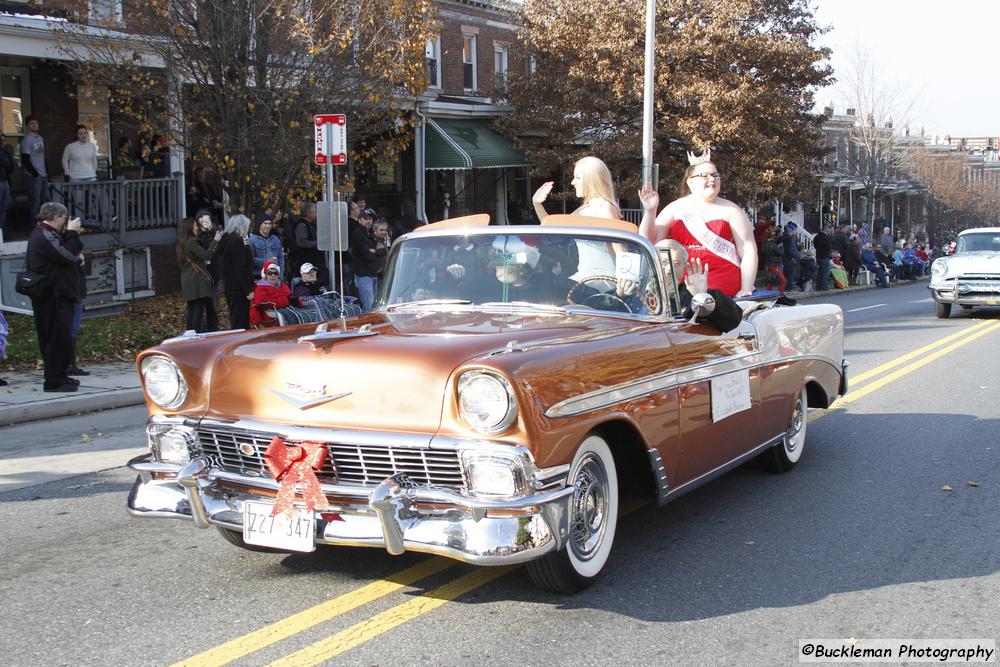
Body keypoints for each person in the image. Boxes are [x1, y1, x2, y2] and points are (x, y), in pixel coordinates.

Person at [638, 149, 757, 297]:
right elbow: (649, 242)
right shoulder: (675, 208)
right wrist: (650, 211)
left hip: (722, 287)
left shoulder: (732, 210)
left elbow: (748, 251)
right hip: (679, 285)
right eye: (704, 176)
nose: (712, 179)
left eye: (715, 175)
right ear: (690, 182)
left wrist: (746, 288)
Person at [26, 202, 84, 392]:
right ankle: (53, 382)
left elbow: (68, 255)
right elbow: (67, 254)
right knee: (55, 338)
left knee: (62, 337)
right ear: (57, 217)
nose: (66, 223)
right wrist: (73, 233)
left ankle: (61, 375)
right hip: (51, 295)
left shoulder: (50, 234)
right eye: (65, 219)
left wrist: (71, 238)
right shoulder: (43, 234)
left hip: (60, 292)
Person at [653, 239, 743, 331]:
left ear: (684, 268)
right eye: (664, 262)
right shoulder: (638, 293)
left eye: (676, 264)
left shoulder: (691, 294)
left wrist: (702, 294)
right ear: (653, 264)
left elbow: (733, 321)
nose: (669, 269)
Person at [533, 156, 620, 222]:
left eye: (578, 177)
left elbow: (619, 246)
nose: (573, 182)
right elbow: (553, 228)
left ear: (592, 180)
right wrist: (536, 203)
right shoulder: (586, 208)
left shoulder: (605, 209)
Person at [178, 216, 222, 333]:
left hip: (187, 281)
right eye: (195, 225)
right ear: (190, 227)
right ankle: (195, 336)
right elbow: (206, 256)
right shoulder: (192, 241)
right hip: (197, 281)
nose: (197, 227)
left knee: (192, 311)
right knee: (198, 311)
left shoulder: (181, 243)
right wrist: (215, 241)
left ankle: (190, 335)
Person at [218, 214, 255, 329]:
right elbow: (241, 267)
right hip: (239, 287)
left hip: (230, 285)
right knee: (241, 320)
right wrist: (248, 290)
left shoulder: (226, 240)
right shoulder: (236, 242)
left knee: (235, 317)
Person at [350, 210, 389, 311]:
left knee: (374, 306)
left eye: (370, 219)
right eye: (365, 219)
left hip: (373, 273)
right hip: (363, 274)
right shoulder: (357, 234)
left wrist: (374, 251)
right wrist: (375, 251)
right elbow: (367, 255)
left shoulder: (370, 233)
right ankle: (367, 326)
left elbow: (383, 251)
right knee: (369, 306)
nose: (368, 221)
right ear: (359, 220)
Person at [250, 260, 301, 326]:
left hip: (285, 309)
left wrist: (299, 302)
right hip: (269, 313)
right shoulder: (260, 288)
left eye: (275, 273)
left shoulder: (283, 285)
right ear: (265, 275)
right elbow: (262, 303)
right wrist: (286, 301)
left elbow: (290, 296)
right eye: (270, 273)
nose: (273, 275)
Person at [20, 115, 50, 225]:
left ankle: (45, 224)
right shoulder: (26, 140)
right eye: (32, 123)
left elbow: (42, 157)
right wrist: (35, 174)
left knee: (45, 201)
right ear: (27, 126)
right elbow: (25, 159)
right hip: (33, 177)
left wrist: (46, 173)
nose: (35, 125)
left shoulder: (40, 138)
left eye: (36, 123)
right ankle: (34, 224)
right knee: (35, 202)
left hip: (43, 175)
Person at [250, 213, 285, 278]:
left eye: (269, 224)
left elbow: (281, 259)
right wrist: (265, 261)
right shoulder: (252, 240)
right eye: (265, 223)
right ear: (260, 224)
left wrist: (280, 277)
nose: (268, 226)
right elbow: (250, 259)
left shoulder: (275, 239)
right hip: (259, 277)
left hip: (275, 276)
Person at [0, 130, 13, 238]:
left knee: (4, 209)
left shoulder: (4, 151)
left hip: (4, 181)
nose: (3, 142)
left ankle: (2, 232)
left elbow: (10, 166)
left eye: (4, 140)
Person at [780, 223, 801, 291]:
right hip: (789, 258)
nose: (795, 232)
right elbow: (789, 250)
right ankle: (789, 288)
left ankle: (787, 287)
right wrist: (793, 258)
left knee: (787, 273)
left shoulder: (787, 238)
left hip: (787, 258)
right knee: (790, 273)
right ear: (790, 231)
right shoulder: (788, 239)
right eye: (794, 230)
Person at [813, 224, 833, 291]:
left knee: (820, 272)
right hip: (824, 256)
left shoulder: (817, 237)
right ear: (827, 229)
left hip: (818, 256)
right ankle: (824, 286)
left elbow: (815, 246)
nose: (831, 231)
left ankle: (819, 286)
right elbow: (828, 246)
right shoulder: (825, 237)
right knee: (824, 272)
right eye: (830, 229)